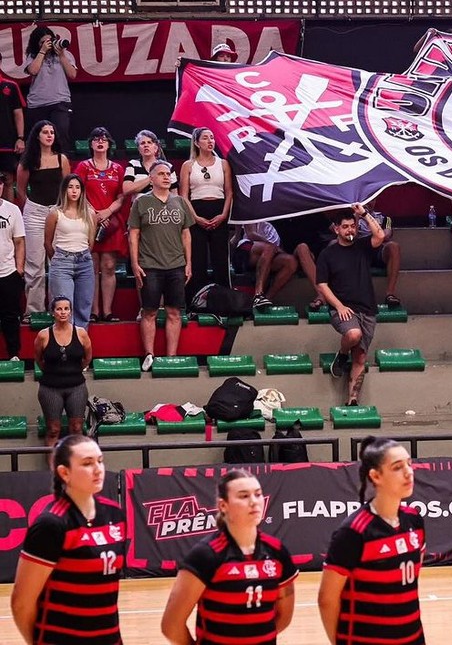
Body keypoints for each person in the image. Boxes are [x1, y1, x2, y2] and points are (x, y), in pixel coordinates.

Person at [10, 435, 126, 644]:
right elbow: (21, 603)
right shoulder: (51, 524)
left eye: (100, 460)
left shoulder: (115, 515)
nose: (98, 469)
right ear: (64, 472)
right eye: (87, 463)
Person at [161, 469, 298, 645]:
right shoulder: (205, 555)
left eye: (258, 494)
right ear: (223, 506)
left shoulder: (277, 552)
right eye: (243, 496)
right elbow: (171, 625)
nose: (254, 502)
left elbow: (284, 616)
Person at [318, 436, 425, 645]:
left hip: (413, 638)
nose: (408, 472)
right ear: (376, 476)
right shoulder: (353, 532)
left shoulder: (415, 520)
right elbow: (327, 599)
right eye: (397, 467)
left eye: (409, 464)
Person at [316, 205, 386, 406]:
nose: (350, 230)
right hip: (343, 309)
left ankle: (352, 400)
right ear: (336, 229)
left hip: (368, 309)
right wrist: (338, 306)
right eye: (345, 226)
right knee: (353, 334)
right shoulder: (327, 254)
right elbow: (322, 284)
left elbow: (380, 235)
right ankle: (343, 354)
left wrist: (363, 214)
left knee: (361, 357)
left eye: (352, 226)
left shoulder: (362, 246)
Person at [129, 160, 195, 372]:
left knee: (174, 312)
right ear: (151, 178)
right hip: (150, 265)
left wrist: (189, 262)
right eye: (162, 174)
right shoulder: (141, 202)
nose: (167, 177)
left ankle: (171, 357)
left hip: (176, 264)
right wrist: (134, 263)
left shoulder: (180, 202)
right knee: (149, 311)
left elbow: (186, 234)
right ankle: (149, 355)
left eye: (169, 174)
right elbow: (133, 234)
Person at [15, 119, 70, 315]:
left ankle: (58, 308)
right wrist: (31, 207)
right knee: (34, 265)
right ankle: (33, 311)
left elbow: (67, 188)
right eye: (45, 132)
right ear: (37, 136)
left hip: (56, 212)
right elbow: (20, 191)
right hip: (35, 213)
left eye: (52, 132)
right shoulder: (28, 161)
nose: (49, 135)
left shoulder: (61, 159)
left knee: (56, 263)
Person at [75, 127, 125, 322]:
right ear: (91, 144)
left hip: (110, 221)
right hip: (89, 220)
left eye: (104, 138)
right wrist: (93, 213)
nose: (100, 141)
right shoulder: (83, 166)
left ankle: (108, 310)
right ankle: (94, 311)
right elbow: (77, 191)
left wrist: (107, 212)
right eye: (96, 139)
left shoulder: (117, 168)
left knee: (109, 266)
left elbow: (121, 196)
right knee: (92, 266)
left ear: (109, 143)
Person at [180, 126, 233, 300]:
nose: (210, 141)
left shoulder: (223, 163)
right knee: (198, 259)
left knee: (220, 258)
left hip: (219, 210)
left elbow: (229, 192)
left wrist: (224, 215)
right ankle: (196, 300)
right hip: (196, 211)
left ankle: (225, 299)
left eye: (212, 137)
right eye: (205, 138)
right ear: (196, 142)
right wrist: (194, 217)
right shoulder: (188, 165)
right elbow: (183, 195)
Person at [33, 296, 91, 447]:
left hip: (76, 386)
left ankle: (75, 464)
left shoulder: (81, 333)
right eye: (59, 309)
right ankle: (52, 470)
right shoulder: (43, 335)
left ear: (71, 312)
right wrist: (53, 373)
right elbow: (39, 359)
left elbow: (87, 357)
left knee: (77, 428)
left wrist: (74, 371)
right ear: (53, 312)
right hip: (50, 388)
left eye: (66, 309)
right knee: (53, 429)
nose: (63, 312)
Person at [44, 174, 96, 328]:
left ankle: (78, 346)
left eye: (78, 187)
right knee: (64, 308)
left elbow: (90, 242)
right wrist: (59, 259)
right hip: (62, 261)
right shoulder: (55, 213)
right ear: (64, 190)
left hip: (84, 261)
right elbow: (47, 243)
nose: (74, 191)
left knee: (83, 307)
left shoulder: (90, 214)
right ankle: (65, 347)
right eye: (70, 187)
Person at [22, 25, 76, 149]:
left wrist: (62, 55)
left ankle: (61, 162)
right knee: (37, 138)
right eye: (43, 42)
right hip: (38, 103)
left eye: (50, 40)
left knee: (61, 133)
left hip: (60, 101)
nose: (48, 44)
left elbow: (72, 74)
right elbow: (33, 70)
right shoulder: (32, 56)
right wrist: (42, 51)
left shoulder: (65, 54)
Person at [240, 221, 298, 307]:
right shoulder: (253, 209)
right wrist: (273, 246)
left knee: (291, 261)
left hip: (273, 251)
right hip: (249, 247)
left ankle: (267, 298)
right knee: (269, 248)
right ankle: (258, 294)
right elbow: (251, 234)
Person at [0, 172, 25, 360]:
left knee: (11, 317)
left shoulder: (13, 210)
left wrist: (19, 269)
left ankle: (13, 354)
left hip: (8, 272)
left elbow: (19, 241)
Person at [357, 203, 402, 308]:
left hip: (378, 251)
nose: (369, 202)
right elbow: (351, 236)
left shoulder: (385, 218)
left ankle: (390, 294)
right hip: (358, 251)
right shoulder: (352, 218)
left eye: (372, 199)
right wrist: (357, 216)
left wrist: (366, 217)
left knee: (394, 246)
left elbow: (386, 235)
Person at [0, 54, 26, 203]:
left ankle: (8, 219)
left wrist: (20, 138)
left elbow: (18, 114)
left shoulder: (10, 86)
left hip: (7, 143)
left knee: (8, 180)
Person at [123, 129, 177, 198]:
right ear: (139, 149)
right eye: (142, 143)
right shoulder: (133, 164)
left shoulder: (168, 166)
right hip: (139, 207)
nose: (146, 145)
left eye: (149, 142)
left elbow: (174, 194)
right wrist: (151, 177)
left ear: (156, 148)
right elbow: (126, 190)